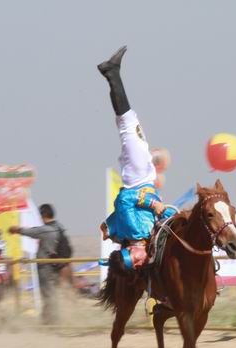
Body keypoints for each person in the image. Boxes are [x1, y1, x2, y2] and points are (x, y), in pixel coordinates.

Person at [97, 46, 176, 273]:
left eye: (136, 260)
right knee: (127, 124)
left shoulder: (132, 230)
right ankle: (112, 73)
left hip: (138, 179)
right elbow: (163, 216)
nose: (141, 261)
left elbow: (124, 201)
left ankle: (112, 73)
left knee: (128, 125)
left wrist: (154, 204)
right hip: (144, 178)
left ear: (129, 252)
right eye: (139, 264)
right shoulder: (142, 236)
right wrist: (166, 212)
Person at [9, 203, 66, 325]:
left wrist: (16, 230)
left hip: (45, 267)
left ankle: (51, 320)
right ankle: (53, 319)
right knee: (52, 293)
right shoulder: (59, 227)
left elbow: (31, 232)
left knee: (47, 294)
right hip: (56, 266)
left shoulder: (46, 230)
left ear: (44, 215)